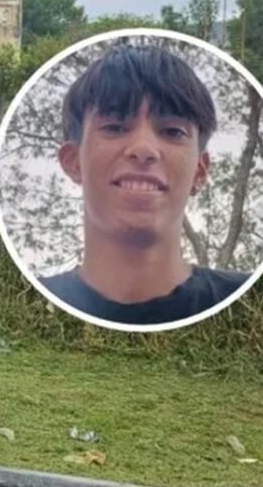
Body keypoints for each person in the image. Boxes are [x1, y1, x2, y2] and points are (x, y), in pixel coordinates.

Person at [39, 44, 250, 325]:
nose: (143, 149)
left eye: (172, 131)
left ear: (200, 170)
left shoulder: (248, 304)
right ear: (73, 161)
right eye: (115, 127)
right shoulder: (29, 299)